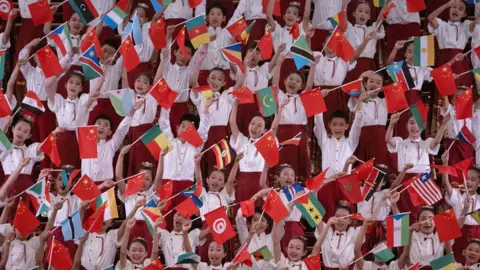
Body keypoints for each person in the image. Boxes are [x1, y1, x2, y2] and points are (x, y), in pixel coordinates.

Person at [158, 97, 214, 229]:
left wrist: (205, 108)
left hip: (186, 187)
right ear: (177, 128)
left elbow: (204, 130)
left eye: (189, 129)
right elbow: (164, 122)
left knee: (183, 222)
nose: (184, 130)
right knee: (165, 222)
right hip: (167, 185)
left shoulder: (195, 146)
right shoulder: (168, 142)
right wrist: (166, 103)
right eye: (183, 126)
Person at [189, 44, 245, 175]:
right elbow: (193, 82)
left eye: (219, 79)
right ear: (207, 79)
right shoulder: (202, 95)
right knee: (206, 165)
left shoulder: (227, 95)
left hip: (222, 135)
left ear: (224, 83)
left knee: (222, 164)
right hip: (205, 135)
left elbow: (240, 83)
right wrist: (200, 60)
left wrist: (243, 65)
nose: (215, 81)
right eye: (212, 78)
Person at [228, 97, 284, 204]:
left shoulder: (266, 142)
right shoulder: (242, 141)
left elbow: (274, 129)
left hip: (259, 182)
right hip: (243, 183)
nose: (254, 127)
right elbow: (232, 123)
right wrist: (235, 104)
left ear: (264, 130)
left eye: (259, 126)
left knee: (258, 213)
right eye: (252, 123)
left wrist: (280, 109)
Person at [115, 144, 167, 255]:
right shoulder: (129, 193)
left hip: (148, 229)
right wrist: (121, 154)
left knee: (147, 259)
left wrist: (161, 157)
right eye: (141, 177)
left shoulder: (152, 194)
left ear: (151, 182)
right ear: (135, 178)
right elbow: (119, 177)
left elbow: (159, 178)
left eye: (147, 179)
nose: (144, 181)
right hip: (130, 228)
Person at [272, 55, 315, 179]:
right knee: (281, 158)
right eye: (291, 79)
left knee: (298, 159)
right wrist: (279, 64)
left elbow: (309, 87)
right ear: (285, 81)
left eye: (297, 81)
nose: (293, 82)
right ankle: (278, 181)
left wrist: (313, 67)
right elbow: (274, 83)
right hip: (281, 133)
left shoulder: (302, 98)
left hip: (298, 134)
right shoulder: (279, 95)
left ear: (301, 86)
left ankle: (298, 182)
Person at [194, 152, 238, 261]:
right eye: (213, 178)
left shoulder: (224, 195)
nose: (216, 181)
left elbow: (231, 181)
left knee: (221, 260)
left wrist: (236, 162)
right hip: (206, 228)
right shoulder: (203, 195)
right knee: (205, 257)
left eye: (220, 179)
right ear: (207, 180)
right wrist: (197, 163)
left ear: (223, 184)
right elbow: (199, 181)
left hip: (222, 229)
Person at [81, 103, 140, 185]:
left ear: (109, 132)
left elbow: (121, 131)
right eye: (98, 123)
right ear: (92, 128)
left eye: (106, 125)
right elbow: (80, 123)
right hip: (87, 186)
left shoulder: (110, 146)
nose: (101, 127)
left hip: (106, 186)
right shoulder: (85, 144)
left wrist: (132, 111)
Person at [386, 40, 433, 139]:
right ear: (405, 54)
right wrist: (396, 48)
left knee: (418, 129)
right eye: (410, 52)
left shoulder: (423, 68)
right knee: (403, 129)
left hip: (417, 102)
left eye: (416, 52)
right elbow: (389, 64)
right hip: (403, 102)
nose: (412, 55)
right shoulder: (400, 67)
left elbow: (437, 74)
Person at [155, 25, 196, 138]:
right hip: (167, 106)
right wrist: (168, 37)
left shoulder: (189, 71)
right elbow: (165, 55)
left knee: (181, 137)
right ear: (175, 52)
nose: (184, 56)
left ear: (191, 57)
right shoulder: (168, 67)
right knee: (165, 136)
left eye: (188, 53)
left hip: (182, 108)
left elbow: (198, 58)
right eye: (181, 52)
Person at [442, 151, 480, 264]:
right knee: (456, 262)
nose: (468, 182)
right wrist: (445, 163)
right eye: (467, 178)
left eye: (473, 180)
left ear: (479, 183)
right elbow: (446, 183)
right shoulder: (457, 195)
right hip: (459, 232)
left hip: (477, 234)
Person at [428, 0, 474, 87]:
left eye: (460, 9)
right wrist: (446, 5)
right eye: (454, 7)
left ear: (464, 14)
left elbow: (476, 23)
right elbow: (430, 18)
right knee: (443, 88)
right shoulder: (441, 24)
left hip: (460, 61)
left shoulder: (465, 25)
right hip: (443, 59)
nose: (456, 10)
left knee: (460, 88)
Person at [347, 71, 388, 165]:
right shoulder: (358, 99)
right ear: (366, 84)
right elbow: (354, 90)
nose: (374, 84)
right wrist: (362, 75)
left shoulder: (385, 101)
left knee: (379, 166)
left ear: (382, 87)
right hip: (365, 137)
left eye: (378, 83)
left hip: (381, 139)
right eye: (371, 81)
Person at [344, 1, 386, 83]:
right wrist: (345, 4)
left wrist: (386, 4)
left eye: (366, 12)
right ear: (354, 13)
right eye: (360, 11)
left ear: (369, 16)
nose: (363, 14)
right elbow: (343, 17)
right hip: (353, 65)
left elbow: (380, 19)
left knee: (367, 92)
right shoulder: (349, 29)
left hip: (368, 65)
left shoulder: (372, 30)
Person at [441, 86, 475, 185]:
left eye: (462, 97)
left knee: (466, 172)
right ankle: (453, 193)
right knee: (453, 172)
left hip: (466, 146)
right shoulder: (450, 110)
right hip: (452, 146)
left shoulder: (472, 110)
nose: (458, 99)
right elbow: (445, 98)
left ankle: (466, 192)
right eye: (456, 97)